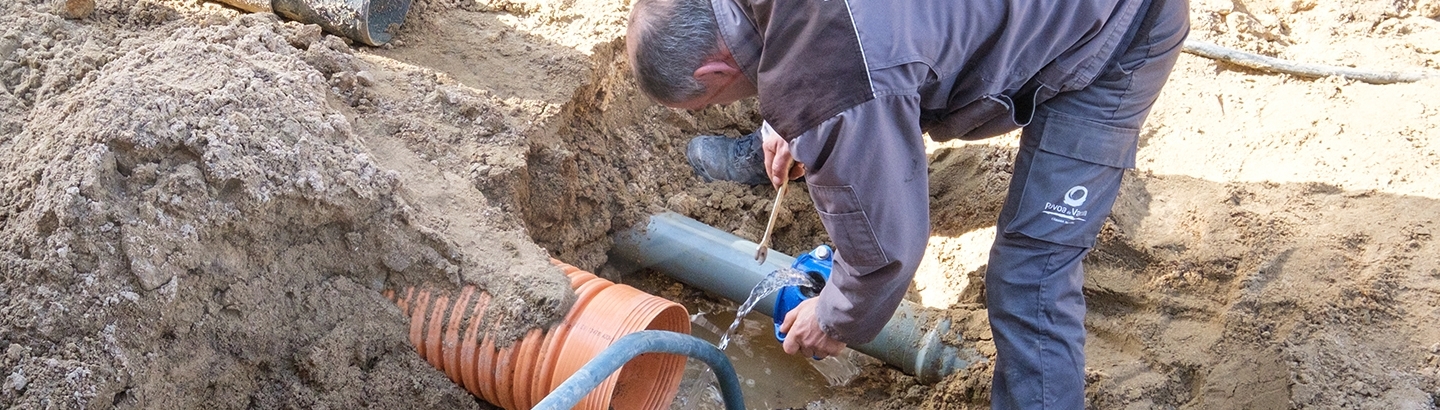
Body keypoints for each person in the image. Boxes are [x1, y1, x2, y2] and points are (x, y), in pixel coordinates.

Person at [626, 0, 1188, 407]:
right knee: (836, 105)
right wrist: (787, 113)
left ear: (714, 73)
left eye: (713, 100)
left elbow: (888, 248)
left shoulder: (831, 77)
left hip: (1118, 30)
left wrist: (835, 315)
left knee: (1029, 275)